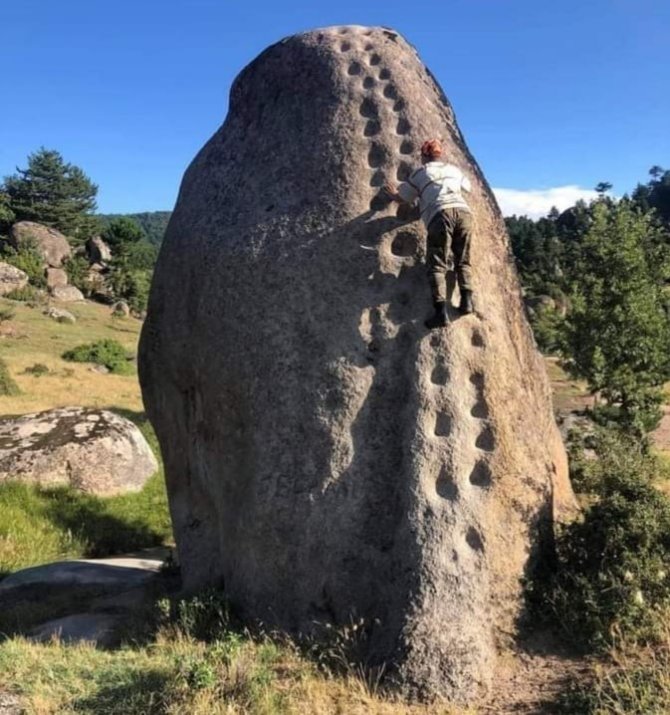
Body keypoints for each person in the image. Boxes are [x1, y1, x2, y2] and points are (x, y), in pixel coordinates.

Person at [384, 139, 475, 329]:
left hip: (440, 214)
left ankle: (441, 314)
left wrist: (393, 194)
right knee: (463, 259)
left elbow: (404, 198)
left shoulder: (420, 172)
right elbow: (468, 187)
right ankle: (467, 302)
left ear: (424, 155)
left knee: (437, 265)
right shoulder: (454, 170)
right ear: (439, 155)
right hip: (464, 213)